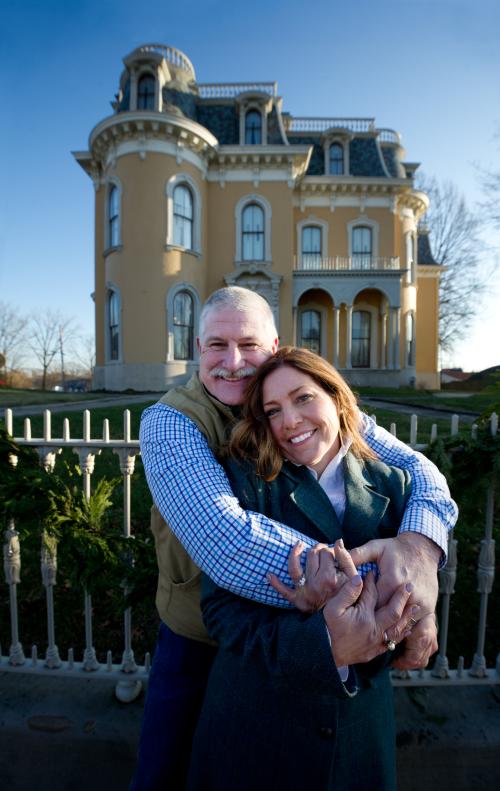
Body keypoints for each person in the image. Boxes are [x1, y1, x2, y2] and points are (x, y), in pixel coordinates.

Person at [133, 287, 457, 789]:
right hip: (201, 636)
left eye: (250, 344)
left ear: (277, 345)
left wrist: (418, 548)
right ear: (198, 348)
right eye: (217, 345)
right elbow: (227, 540)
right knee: (169, 771)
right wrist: (391, 591)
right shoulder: (171, 423)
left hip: (324, 647)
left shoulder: (302, 392)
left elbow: (421, 471)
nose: (234, 362)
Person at [187, 346, 421, 790]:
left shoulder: (395, 483)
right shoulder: (244, 480)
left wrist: (351, 618)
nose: (289, 421)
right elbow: (219, 612)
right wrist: (319, 637)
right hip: (257, 723)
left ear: (335, 395)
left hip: (356, 730)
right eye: (273, 410)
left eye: (303, 398)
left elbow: (412, 602)